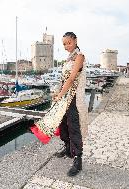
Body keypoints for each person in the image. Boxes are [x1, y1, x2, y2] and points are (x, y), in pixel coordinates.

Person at [31, 32, 86, 177]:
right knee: (62, 124)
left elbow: (72, 78)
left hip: (73, 97)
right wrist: (58, 93)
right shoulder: (68, 59)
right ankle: (67, 148)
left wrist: (61, 94)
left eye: (69, 42)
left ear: (75, 40)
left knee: (74, 126)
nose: (66, 46)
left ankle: (77, 159)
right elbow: (63, 79)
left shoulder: (79, 57)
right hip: (64, 97)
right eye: (64, 44)